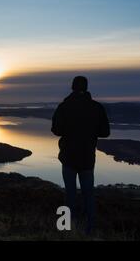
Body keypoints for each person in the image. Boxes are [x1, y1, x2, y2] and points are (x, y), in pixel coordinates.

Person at [51, 76, 110, 234]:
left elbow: (56, 130)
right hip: (87, 158)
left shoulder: (64, 106)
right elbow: (105, 132)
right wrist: (90, 130)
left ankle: (65, 228)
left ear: (72, 87)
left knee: (69, 194)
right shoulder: (96, 107)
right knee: (88, 195)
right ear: (86, 87)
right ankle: (89, 230)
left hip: (68, 157)